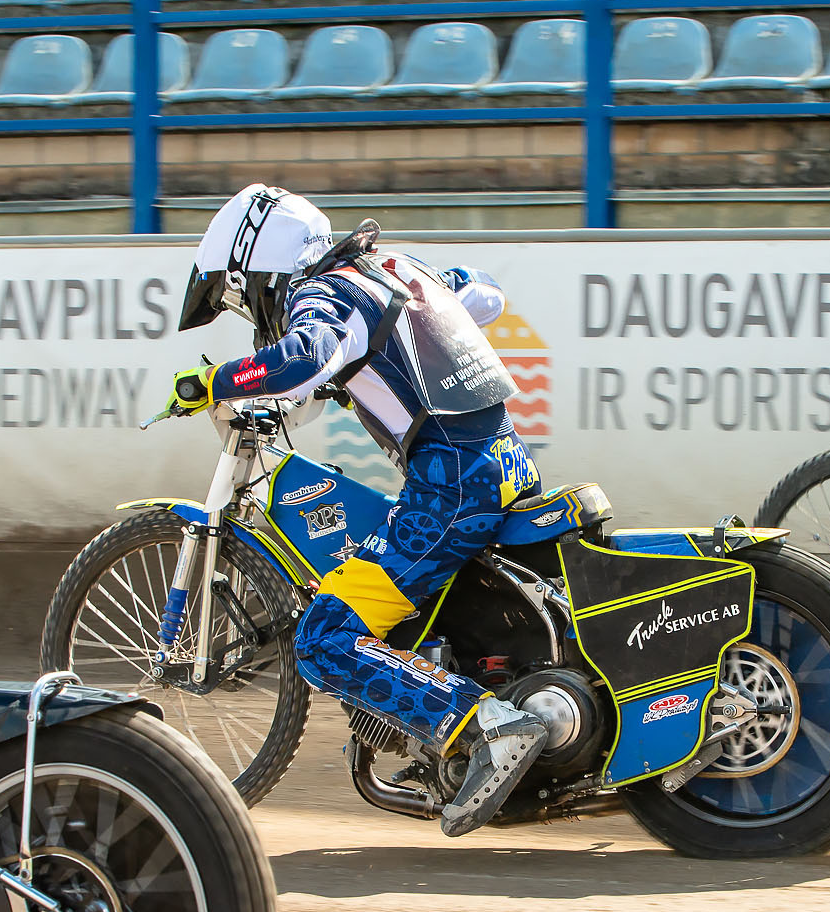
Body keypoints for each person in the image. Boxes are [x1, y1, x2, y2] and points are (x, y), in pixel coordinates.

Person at [169, 185, 549, 837]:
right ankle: (446, 749)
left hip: (451, 488)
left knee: (321, 637)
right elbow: (484, 293)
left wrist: (215, 381)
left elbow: (304, 357)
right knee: (412, 611)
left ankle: (489, 723)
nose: (253, 308)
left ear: (259, 266)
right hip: (506, 463)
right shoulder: (391, 269)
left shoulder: (323, 292)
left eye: (241, 292)